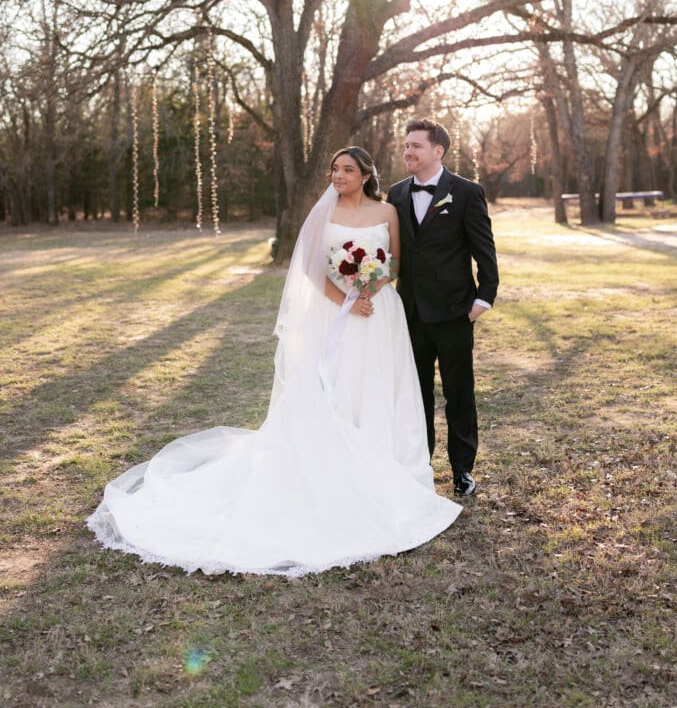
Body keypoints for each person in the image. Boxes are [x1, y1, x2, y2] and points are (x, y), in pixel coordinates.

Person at [87, 146, 460, 576]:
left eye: (347, 170)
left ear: (365, 175)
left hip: (379, 314)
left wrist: (371, 288)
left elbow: (394, 261)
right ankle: (334, 472)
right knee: (333, 388)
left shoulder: (387, 211)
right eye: (334, 169)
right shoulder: (323, 212)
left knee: (378, 385)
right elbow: (308, 267)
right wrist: (346, 300)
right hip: (335, 314)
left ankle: (383, 464)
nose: (337, 176)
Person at [387, 120, 499, 498]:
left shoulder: (466, 192)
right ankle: (420, 465)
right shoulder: (395, 193)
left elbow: (484, 249)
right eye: (405, 146)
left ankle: (463, 469)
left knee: (459, 394)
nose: (408, 152)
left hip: (454, 312)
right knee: (416, 394)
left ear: (439, 151)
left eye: (416, 146)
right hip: (411, 313)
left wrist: (483, 298)